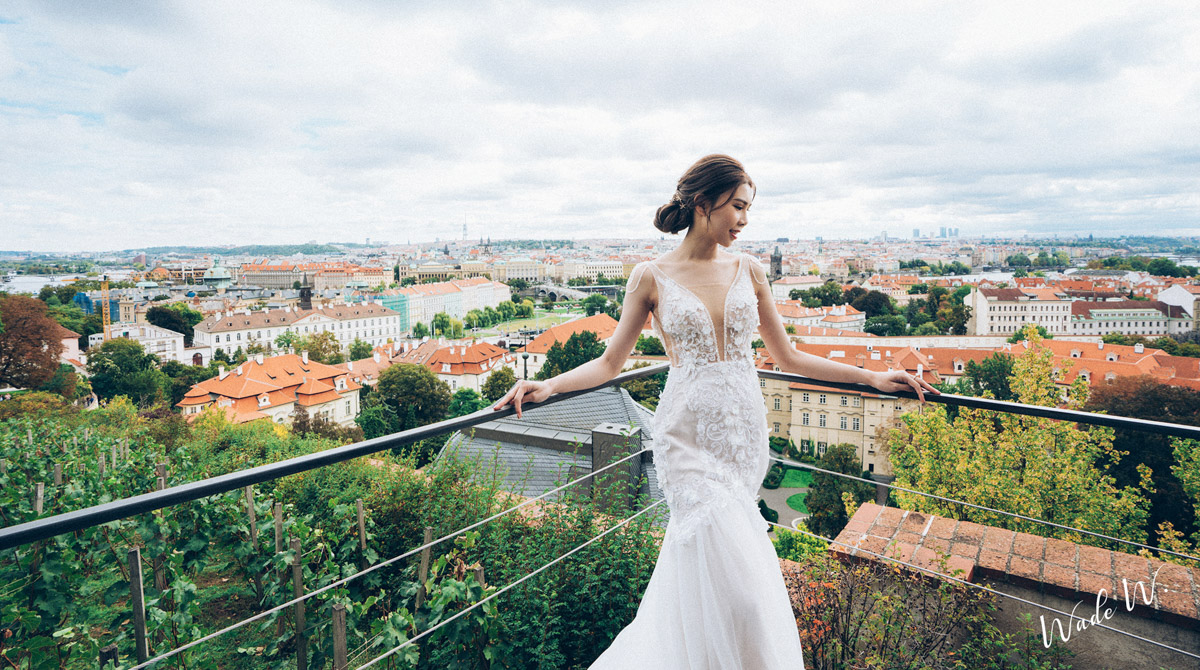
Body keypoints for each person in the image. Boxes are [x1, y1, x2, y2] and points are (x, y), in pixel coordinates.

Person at [493, 154, 936, 669]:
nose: (745, 221)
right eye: (738, 207)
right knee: (749, 591)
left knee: (716, 578)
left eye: (749, 209)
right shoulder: (649, 276)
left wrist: (873, 378)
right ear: (705, 203)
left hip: (744, 436)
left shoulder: (750, 269)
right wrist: (546, 384)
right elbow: (611, 362)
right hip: (687, 438)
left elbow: (787, 356)